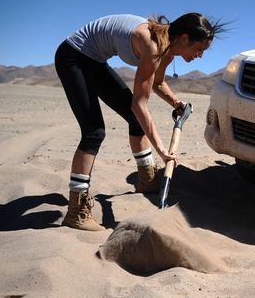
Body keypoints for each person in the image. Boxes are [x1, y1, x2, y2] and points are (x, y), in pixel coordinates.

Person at [54, 13, 226, 231]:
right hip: (73, 57)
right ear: (183, 39)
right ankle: (76, 210)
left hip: (95, 62)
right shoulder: (153, 45)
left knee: (136, 121)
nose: (200, 56)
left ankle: (146, 180)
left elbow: (158, 83)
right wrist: (162, 150)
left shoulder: (167, 50)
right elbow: (139, 105)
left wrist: (175, 102)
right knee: (94, 132)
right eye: (199, 49)